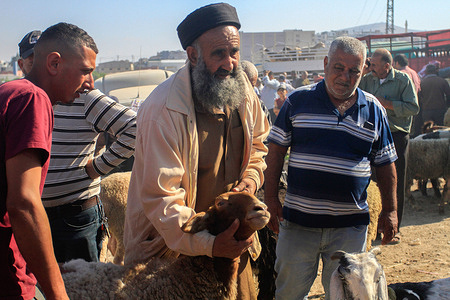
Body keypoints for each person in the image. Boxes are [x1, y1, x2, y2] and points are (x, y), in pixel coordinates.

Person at [123, 3, 270, 299]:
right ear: (193, 56)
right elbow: (161, 198)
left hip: (230, 245)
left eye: (235, 52)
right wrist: (210, 245)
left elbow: (258, 147)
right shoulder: (162, 110)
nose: (230, 63)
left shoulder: (241, 89)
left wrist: (251, 180)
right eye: (219, 54)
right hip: (174, 251)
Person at [264, 36, 398, 300]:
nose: (345, 77)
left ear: (364, 71)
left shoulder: (373, 109)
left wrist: (391, 210)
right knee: (288, 293)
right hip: (299, 224)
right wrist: (270, 199)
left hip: (350, 229)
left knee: (349, 296)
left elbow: (385, 164)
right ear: (326, 64)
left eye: (354, 71)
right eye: (338, 67)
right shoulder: (297, 101)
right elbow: (276, 151)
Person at [1, 22, 99, 300]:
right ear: (54, 63)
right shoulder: (32, 99)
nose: (90, 83)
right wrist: (58, 293)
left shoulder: (11, 92)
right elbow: (24, 203)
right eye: (85, 71)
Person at [41, 88, 136, 263]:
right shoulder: (28, 98)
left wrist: (99, 167)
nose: (90, 81)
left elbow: (136, 127)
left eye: (90, 71)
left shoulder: (85, 98)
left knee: (82, 284)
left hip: (76, 218)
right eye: (85, 70)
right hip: (34, 217)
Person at [359, 48, 419, 241]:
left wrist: (388, 104)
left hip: (396, 135)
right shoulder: (368, 79)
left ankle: (394, 228)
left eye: (374, 64)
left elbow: (413, 107)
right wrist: (363, 71)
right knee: (372, 179)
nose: (371, 67)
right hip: (373, 134)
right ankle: (375, 226)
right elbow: (353, 91)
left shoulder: (402, 80)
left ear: (387, 66)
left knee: (395, 180)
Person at [241, 59, 272, 126]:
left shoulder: (260, 106)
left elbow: (268, 130)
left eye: (252, 86)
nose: (249, 89)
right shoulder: (227, 106)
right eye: (245, 84)